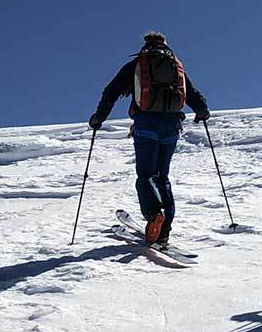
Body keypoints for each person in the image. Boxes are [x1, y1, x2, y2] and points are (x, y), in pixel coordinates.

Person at [89, 32, 210, 246]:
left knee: (146, 175)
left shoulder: (137, 64)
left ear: (146, 44)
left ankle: (154, 214)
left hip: (146, 124)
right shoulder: (176, 66)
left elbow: (111, 92)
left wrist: (98, 118)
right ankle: (164, 231)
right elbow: (191, 93)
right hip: (172, 126)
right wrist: (202, 111)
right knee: (162, 177)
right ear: (165, 44)